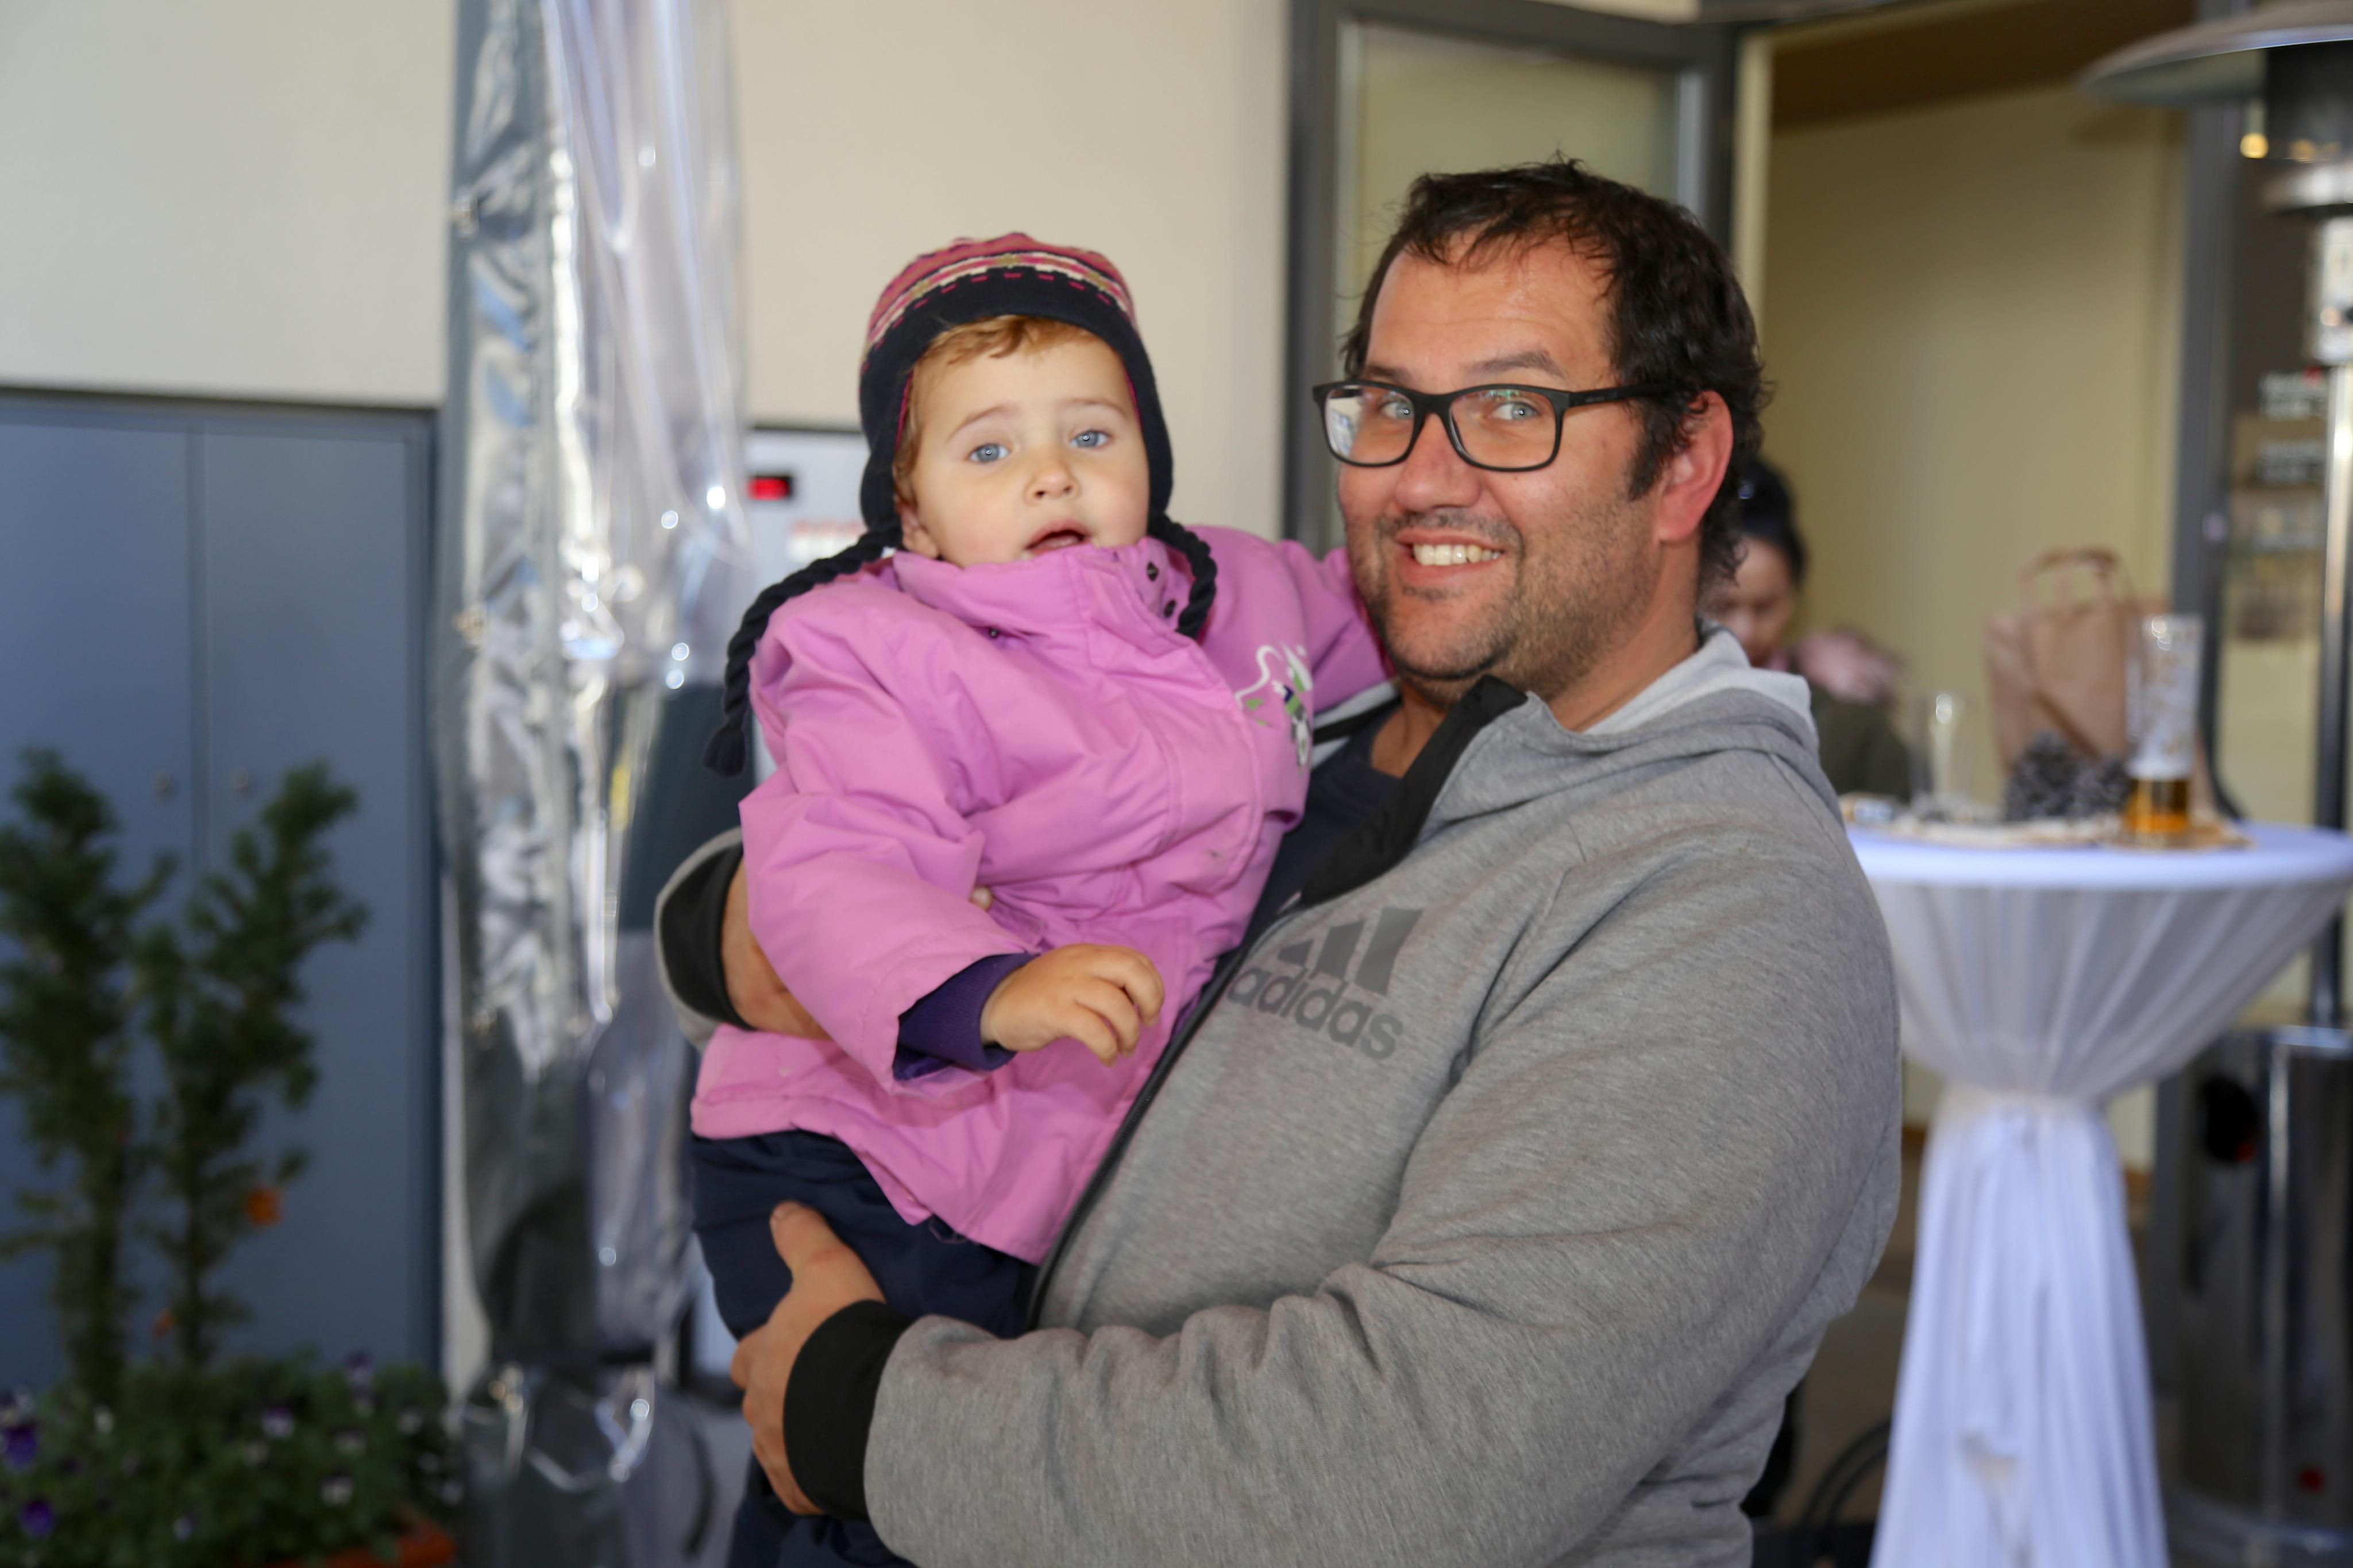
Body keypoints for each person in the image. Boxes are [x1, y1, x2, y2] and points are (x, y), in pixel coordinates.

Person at [661, 160, 1901, 1567]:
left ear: (1681, 464)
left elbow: (1406, 1470)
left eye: (1511, 408)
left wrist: (869, 1415)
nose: (1419, 476)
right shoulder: (1287, 709)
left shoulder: (1725, 908)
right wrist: (730, 933)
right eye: (1389, 405)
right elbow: (897, 827)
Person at [688, 233, 1390, 1566]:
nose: (1051, 471)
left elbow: (1387, 606)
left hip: (1051, 1152)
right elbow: (838, 862)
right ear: (912, 512)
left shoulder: (1242, 597)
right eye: (990, 449)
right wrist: (984, 988)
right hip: (871, 1153)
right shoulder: (879, 649)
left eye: (1092, 432)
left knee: (1006, 1488)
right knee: (866, 1492)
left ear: (1150, 456)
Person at [1705, 458, 1911, 798]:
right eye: (1723, 607)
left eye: (1766, 607)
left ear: (1794, 599)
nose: (1746, 631)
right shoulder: (1661, 712)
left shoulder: (1854, 730)